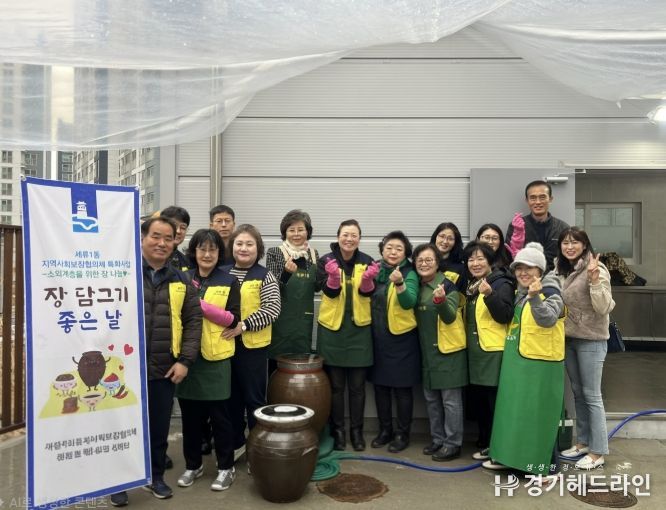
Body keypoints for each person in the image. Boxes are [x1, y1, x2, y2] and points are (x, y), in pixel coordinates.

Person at [111, 217, 202, 507]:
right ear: (142, 238)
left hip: (164, 367)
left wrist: (185, 360)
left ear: (175, 242)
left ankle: (156, 477)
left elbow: (194, 321)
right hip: (123, 368)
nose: (162, 243)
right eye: (155, 236)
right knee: (122, 426)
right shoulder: (121, 273)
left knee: (158, 428)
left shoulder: (181, 280)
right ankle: (120, 481)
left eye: (168, 238)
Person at [484, 242, 565, 474]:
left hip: (540, 366)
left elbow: (548, 319)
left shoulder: (551, 290)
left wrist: (535, 297)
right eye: (519, 268)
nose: (523, 272)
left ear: (540, 270)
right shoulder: (519, 293)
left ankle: (545, 467)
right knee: (515, 413)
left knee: (539, 416)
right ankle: (511, 459)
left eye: (528, 268)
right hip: (517, 363)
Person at [176, 229, 241, 491]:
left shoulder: (229, 280)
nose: (207, 254)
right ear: (194, 251)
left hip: (216, 358)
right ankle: (193, 465)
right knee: (190, 418)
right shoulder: (182, 278)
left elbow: (233, 319)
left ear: (219, 253)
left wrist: (201, 305)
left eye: (212, 249)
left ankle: (226, 467)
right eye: (202, 249)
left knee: (220, 418)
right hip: (187, 358)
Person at [555, 227, 615, 470]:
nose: (569, 247)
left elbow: (604, 307)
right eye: (565, 243)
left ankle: (598, 452)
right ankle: (582, 443)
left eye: (575, 242)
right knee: (578, 394)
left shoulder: (596, 268)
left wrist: (594, 280)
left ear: (584, 244)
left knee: (592, 395)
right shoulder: (561, 268)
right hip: (569, 339)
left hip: (591, 339)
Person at [317, 219, 378, 451]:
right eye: (345, 234)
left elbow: (368, 293)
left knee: (357, 387)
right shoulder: (326, 261)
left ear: (359, 239)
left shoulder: (367, 261)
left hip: (359, 330)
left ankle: (357, 432)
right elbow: (327, 292)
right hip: (332, 331)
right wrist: (333, 278)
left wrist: (368, 281)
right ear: (338, 236)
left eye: (354, 235)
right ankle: (338, 432)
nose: (349, 239)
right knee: (336, 387)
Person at [222, 224, 281, 454]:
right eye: (239, 243)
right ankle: (236, 443)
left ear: (258, 249)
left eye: (249, 244)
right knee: (230, 399)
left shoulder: (265, 276)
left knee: (254, 399)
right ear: (232, 246)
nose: (244, 248)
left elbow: (272, 309)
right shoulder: (222, 273)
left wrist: (243, 326)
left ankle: (258, 447)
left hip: (253, 348)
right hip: (223, 346)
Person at [413, 244, 468, 461]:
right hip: (426, 352)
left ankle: (453, 444)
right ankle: (437, 439)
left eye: (429, 260)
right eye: (420, 260)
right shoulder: (416, 286)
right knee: (431, 400)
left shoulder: (447, 285)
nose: (424, 264)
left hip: (448, 352)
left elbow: (449, 316)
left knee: (450, 401)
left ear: (437, 263)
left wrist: (440, 301)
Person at [462, 241, 515, 461]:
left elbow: (505, 315)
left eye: (480, 259)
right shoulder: (472, 285)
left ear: (490, 261)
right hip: (476, 353)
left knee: (494, 403)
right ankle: (486, 442)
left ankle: (499, 448)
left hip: (493, 351)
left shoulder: (500, 283)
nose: (475, 263)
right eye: (471, 259)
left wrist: (490, 294)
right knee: (481, 402)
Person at [368, 231, 420, 453]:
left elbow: (409, 301)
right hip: (377, 339)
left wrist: (399, 284)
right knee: (380, 388)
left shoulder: (409, 273)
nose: (393, 252)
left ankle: (402, 434)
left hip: (402, 341)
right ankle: (385, 430)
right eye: (389, 247)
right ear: (382, 250)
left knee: (402, 390)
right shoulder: (375, 270)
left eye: (399, 248)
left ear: (405, 253)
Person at [265, 210, 319, 371]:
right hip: (281, 319)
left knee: (301, 365)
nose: (296, 234)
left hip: (303, 320)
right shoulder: (275, 252)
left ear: (307, 232)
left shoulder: (313, 254)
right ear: (285, 232)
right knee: (277, 364)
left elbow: (316, 287)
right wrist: (286, 274)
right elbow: (272, 288)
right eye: (291, 230)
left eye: (300, 229)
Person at [506, 180, 569, 271]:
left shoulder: (563, 228)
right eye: (533, 198)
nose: (538, 202)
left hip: (556, 277)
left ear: (550, 199)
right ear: (527, 200)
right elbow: (509, 258)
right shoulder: (516, 226)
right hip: (525, 276)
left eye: (542, 197)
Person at [429, 222, 465, 288]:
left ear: (455, 242)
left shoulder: (460, 268)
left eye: (450, 238)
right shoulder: (425, 261)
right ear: (435, 237)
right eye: (442, 236)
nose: (445, 241)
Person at [159, 206, 191, 271]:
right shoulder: (149, 256)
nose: (178, 231)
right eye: (174, 225)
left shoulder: (187, 262)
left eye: (183, 227)